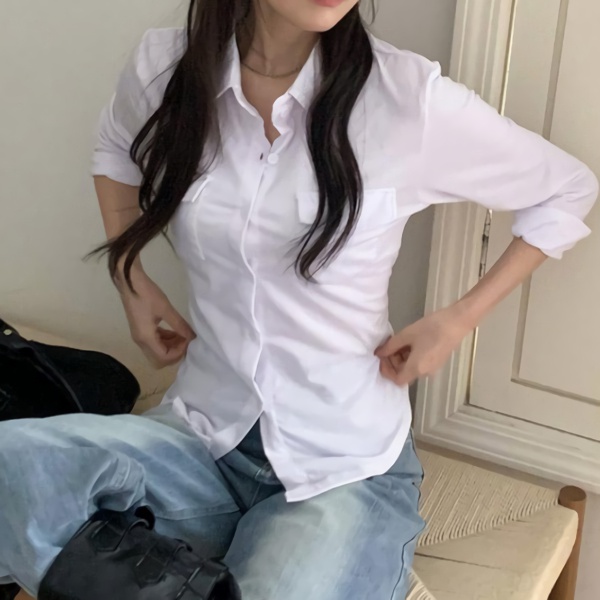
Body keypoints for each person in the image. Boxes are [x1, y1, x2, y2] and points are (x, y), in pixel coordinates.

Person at [0, 0, 597, 599]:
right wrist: (130, 277)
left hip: (341, 469)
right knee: (11, 462)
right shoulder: (167, 67)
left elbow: (568, 189)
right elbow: (115, 149)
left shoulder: (407, 101)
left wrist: (458, 320)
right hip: (201, 438)